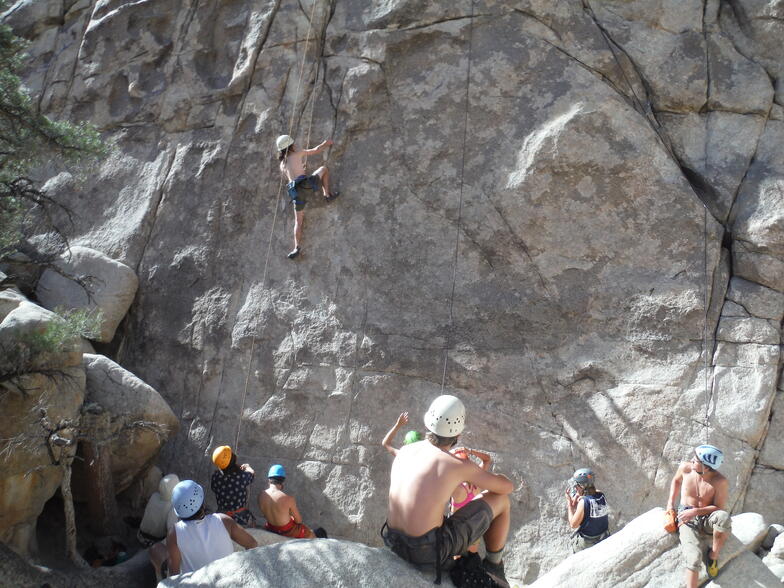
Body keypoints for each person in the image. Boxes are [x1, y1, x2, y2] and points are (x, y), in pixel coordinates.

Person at [382, 395, 514, 584]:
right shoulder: (456, 464)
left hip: (394, 541)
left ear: (428, 425)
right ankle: (494, 565)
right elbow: (506, 488)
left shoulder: (405, 451)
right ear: (458, 435)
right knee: (501, 500)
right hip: (426, 553)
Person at [666, 444, 731, 587]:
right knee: (694, 559)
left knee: (724, 517)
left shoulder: (720, 481)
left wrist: (695, 511)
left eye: (696, 460)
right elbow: (676, 481)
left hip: (707, 517)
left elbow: (719, 507)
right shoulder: (685, 468)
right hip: (686, 517)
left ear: (706, 467)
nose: (691, 460)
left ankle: (712, 557)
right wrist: (670, 504)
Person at [165, 480, 257, 576]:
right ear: (203, 503)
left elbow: (174, 573)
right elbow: (252, 544)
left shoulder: (174, 534)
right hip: (230, 581)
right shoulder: (224, 520)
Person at [276, 134, 339, 259]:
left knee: (298, 222)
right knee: (324, 169)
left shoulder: (282, 164)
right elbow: (316, 150)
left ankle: (296, 247)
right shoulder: (297, 152)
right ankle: (327, 195)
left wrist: (301, 170)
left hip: (295, 192)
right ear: (290, 145)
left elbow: (292, 175)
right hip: (306, 185)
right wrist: (325, 143)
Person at [449, 446, 492, 555]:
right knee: (470, 560)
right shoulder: (478, 480)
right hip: (474, 530)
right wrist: (470, 451)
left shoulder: (457, 488)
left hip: (457, 532)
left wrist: (447, 455)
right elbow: (487, 459)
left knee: (456, 564)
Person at [259, 464, 317, 539]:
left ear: (269, 479)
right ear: (282, 481)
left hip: (270, 527)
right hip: (287, 531)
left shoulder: (261, 495)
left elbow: (266, 514)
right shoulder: (288, 499)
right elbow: (299, 521)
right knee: (311, 534)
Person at [564, 467, 610, 552]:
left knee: (574, 545)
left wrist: (569, 504)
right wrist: (580, 495)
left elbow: (573, 525)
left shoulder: (584, 502)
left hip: (589, 542)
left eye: (576, 486)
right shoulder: (601, 494)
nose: (575, 488)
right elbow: (592, 494)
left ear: (582, 486)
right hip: (604, 536)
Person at [210, 445, 256, 527]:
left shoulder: (216, 476)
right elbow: (252, 474)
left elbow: (214, 488)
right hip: (240, 518)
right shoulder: (242, 476)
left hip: (221, 517)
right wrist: (247, 467)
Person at [138, 473, 179, 547]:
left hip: (140, 535)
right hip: (154, 541)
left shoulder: (154, 496)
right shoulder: (172, 507)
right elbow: (171, 530)